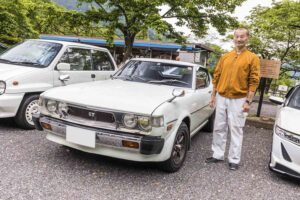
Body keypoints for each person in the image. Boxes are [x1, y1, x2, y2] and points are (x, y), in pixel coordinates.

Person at [205, 28, 260, 170]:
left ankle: (234, 159)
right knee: (218, 127)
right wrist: (213, 96)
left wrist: (248, 101)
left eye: (242, 36)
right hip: (221, 96)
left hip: (240, 99)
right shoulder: (226, 56)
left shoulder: (252, 58)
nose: (239, 39)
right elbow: (217, 76)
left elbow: (254, 80)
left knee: (236, 129)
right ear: (233, 38)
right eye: (237, 36)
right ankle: (217, 154)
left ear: (247, 38)